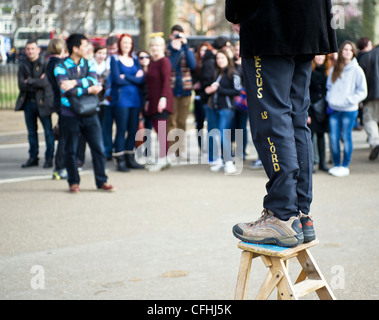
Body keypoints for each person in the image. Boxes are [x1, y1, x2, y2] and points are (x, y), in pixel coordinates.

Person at [226, 0, 338, 247]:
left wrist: (235, 11)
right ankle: (301, 215)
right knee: (296, 118)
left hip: (269, 19)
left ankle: (282, 214)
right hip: (308, 19)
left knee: (271, 118)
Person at [54, 33, 115, 193]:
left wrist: (75, 82)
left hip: (90, 113)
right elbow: (67, 91)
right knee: (71, 150)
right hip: (70, 114)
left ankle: (102, 181)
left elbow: (95, 81)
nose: (88, 48)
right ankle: (73, 182)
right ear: (75, 48)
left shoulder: (89, 63)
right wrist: (88, 89)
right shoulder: (60, 66)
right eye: (84, 45)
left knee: (98, 148)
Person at [326, 41, 368, 177]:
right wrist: (330, 99)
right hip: (334, 109)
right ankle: (337, 164)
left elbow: (363, 91)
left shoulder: (357, 70)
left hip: (349, 110)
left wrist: (349, 100)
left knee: (346, 137)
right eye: (345, 49)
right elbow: (329, 87)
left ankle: (345, 165)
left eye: (350, 50)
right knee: (333, 138)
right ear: (341, 51)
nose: (347, 52)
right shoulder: (335, 68)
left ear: (354, 52)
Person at [15, 39, 55, 169]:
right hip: (28, 103)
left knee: (48, 132)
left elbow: (45, 83)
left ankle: (49, 158)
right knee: (32, 132)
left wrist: (29, 81)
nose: (30, 51)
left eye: (32, 48)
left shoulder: (45, 63)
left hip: (43, 103)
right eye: (28, 49)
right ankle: (33, 157)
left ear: (38, 50)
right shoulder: (23, 64)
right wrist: (37, 81)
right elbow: (21, 84)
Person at [110, 33, 145, 171]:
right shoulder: (115, 59)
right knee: (121, 129)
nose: (127, 45)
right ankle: (120, 159)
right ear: (120, 44)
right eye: (124, 43)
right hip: (121, 100)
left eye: (129, 43)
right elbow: (117, 80)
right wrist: (133, 78)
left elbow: (141, 80)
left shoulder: (135, 59)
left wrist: (127, 77)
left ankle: (130, 157)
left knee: (132, 130)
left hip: (135, 99)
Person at [204, 50, 241, 174]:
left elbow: (237, 91)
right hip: (215, 107)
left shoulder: (233, 73)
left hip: (227, 108)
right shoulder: (218, 73)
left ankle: (229, 162)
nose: (220, 60)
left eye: (222, 58)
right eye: (218, 58)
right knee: (215, 133)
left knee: (222, 134)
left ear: (227, 59)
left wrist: (220, 89)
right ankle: (220, 160)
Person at [166, 25, 196, 161]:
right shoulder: (168, 51)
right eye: (175, 35)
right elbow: (169, 66)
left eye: (179, 35)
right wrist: (175, 50)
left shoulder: (187, 49)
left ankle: (181, 149)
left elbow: (193, 65)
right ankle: (172, 150)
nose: (177, 38)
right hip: (172, 89)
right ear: (171, 36)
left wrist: (185, 46)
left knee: (182, 122)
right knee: (171, 121)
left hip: (185, 89)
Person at [144, 36, 173, 172]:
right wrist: (149, 100)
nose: (154, 48)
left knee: (161, 130)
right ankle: (165, 158)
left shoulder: (164, 62)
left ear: (163, 47)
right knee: (158, 130)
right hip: (153, 100)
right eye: (152, 45)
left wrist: (163, 98)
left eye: (157, 45)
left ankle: (162, 159)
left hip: (162, 100)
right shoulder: (152, 62)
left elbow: (166, 81)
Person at [46, 38, 68, 180]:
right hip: (62, 103)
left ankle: (61, 166)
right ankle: (59, 167)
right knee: (65, 137)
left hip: (57, 101)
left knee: (65, 135)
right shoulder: (58, 64)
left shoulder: (50, 63)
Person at [308, 55, 332, 172]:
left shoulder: (329, 71)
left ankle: (322, 163)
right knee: (310, 137)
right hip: (311, 108)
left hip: (324, 108)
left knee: (322, 136)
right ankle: (310, 164)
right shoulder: (308, 70)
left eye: (322, 55)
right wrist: (306, 113)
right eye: (318, 55)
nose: (320, 57)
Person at [359, 43, 379, 161]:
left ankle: (375, 142)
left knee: (369, 120)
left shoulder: (367, 57)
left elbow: (361, 78)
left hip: (370, 95)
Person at [192, 42, 213, 151]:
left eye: (205, 50)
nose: (202, 52)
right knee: (199, 123)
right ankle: (201, 146)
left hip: (207, 97)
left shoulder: (210, 63)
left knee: (210, 123)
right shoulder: (196, 63)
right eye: (201, 50)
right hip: (197, 97)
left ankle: (211, 148)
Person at [102, 36, 119, 160]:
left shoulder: (122, 59)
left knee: (121, 127)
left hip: (119, 98)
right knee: (106, 127)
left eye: (114, 49)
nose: (111, 52)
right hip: (106, 100)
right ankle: (107, 151)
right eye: (109, 49)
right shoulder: (103, 59)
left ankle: (118, 150)